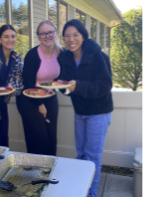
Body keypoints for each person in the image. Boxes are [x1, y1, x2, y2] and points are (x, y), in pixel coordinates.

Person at [59, 19, 113, 197]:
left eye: (75, 35)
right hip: (80, 112)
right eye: (67, 36)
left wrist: (78, 86)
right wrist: (61, 86)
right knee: (81, 153)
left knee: (92, 157)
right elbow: (66, 87)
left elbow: (105, 85)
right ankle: (80, 189)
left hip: (99, 112)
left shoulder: (96, 55)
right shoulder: (65, 58)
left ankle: (91, 193)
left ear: (83, 36)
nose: (71, 39)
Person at [16, 20, 66, 156]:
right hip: (29, 98)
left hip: (49, 95)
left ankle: (50, 167)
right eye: (43, 33)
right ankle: (36, 168)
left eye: (50, 32)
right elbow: (28, 82)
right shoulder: (32, 55)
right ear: (38, 36)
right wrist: (40, 104)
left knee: (51, 133)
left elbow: (63, 78)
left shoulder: (62, 53)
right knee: (39, 136)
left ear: (55, 33)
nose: (47, 36)